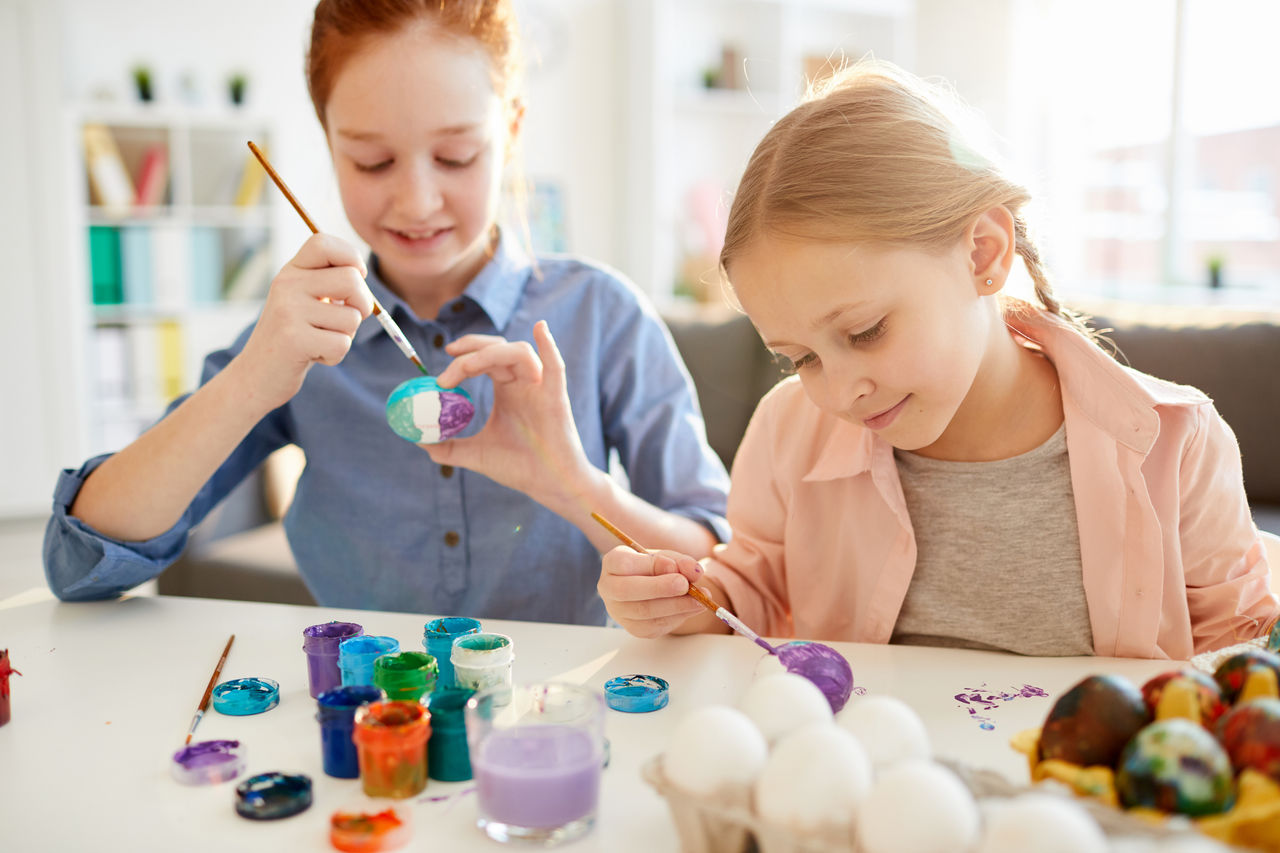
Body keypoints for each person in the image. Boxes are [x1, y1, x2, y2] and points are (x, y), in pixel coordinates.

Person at [44, 0, 729, 624]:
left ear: (512, 128)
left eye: (456, 155)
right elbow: (80, 566)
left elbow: (725, 570)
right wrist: (252, 378)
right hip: (368, 724)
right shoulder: (296, 338)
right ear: (328, 139)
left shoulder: (601, 316)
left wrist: (577, 487)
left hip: (557, 726)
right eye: (372, 161)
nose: (416, 201)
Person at [598, 60, 1276, 659]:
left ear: (983, 254)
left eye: (865, 331)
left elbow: (1238, 665)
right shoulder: (787, 432)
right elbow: (748, 593)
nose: (839, 391)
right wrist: (689, 602)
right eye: (799, 357)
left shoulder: (1178, 445)